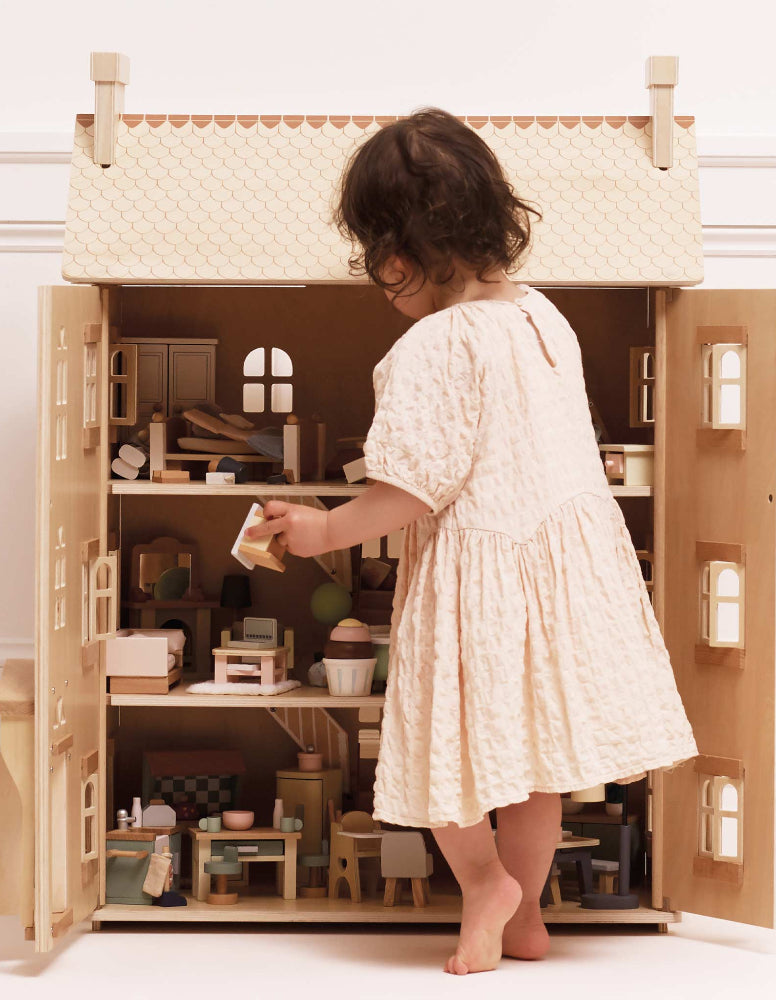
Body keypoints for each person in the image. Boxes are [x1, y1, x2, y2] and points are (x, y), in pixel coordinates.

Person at [244, 108, 698, 975]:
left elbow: (411, 489)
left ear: (399, 256)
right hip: (561, 577)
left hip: (477, 581)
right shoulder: (542, 318)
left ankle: (486, 887)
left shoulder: (434, 344)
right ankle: (528, 921)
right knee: (535, 768)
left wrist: (322, 529)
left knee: (441, 756)